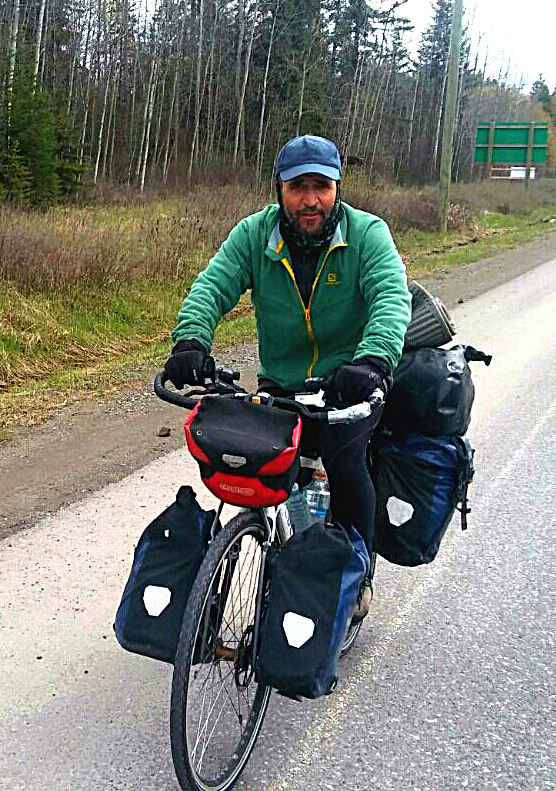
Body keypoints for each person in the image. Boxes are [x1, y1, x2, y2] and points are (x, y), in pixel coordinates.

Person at [164, 134, 412, 619]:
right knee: (263, 467)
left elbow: (390, 294)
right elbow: (214, 284)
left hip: (352, 379)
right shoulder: (255, 235)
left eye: (322, 186)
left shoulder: (366, 234)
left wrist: (375, 360)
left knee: (344, 461)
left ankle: (357, 572)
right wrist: (191, 340)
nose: (311, 200)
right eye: (299, 187)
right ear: (279, 188)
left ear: (337, 187)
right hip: (284, 381)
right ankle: (272, 556)